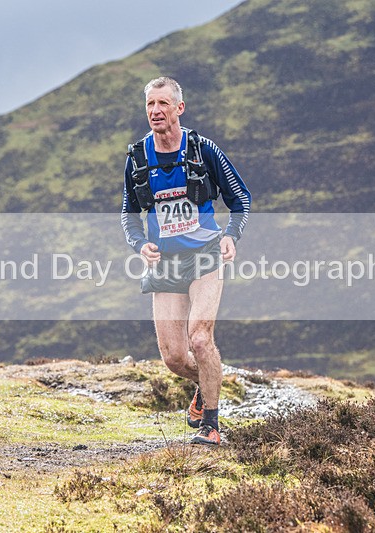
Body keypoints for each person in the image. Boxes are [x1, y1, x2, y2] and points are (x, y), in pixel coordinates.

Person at [121, 77, 251, 445]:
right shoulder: (137, 158)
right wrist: (138, 244)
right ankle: (206, 382)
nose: (156, 111)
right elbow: (128, 213)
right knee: (175, 358)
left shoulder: (203, 149)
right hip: (165, 263)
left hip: (205, 255)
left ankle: (211, 427)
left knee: (199, 338)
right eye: (150, 105)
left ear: (179, 108)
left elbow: (240, 198)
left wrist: (231, 236)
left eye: (163, 103)